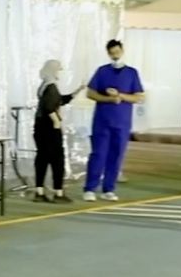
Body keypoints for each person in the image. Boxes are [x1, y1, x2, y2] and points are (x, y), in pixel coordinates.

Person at [82, 39, 145, 202]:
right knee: (98, 154)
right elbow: (90, 93)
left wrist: (120, 95)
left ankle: (109, 188)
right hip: (102, 121)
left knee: (116, 155)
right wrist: (107, 99)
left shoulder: (132, 73)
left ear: (122, 51)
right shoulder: (102, 72)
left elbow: (139, 97)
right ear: (108, 54)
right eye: (112, 53)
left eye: (117, 52)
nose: (115, 56)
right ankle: (90, 188)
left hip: (122, 122)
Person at [33, 60, 85, 203]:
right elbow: (50, 107)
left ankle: (39, 191)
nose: (60, 72)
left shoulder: (45, 85)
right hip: (49, 129)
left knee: (42, 158)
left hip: (40, 127)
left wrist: (77, 91)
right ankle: (58, 192)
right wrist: (56, 122)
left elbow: (60, 101)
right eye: (59, 69)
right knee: (57, 160)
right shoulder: (51, 87)